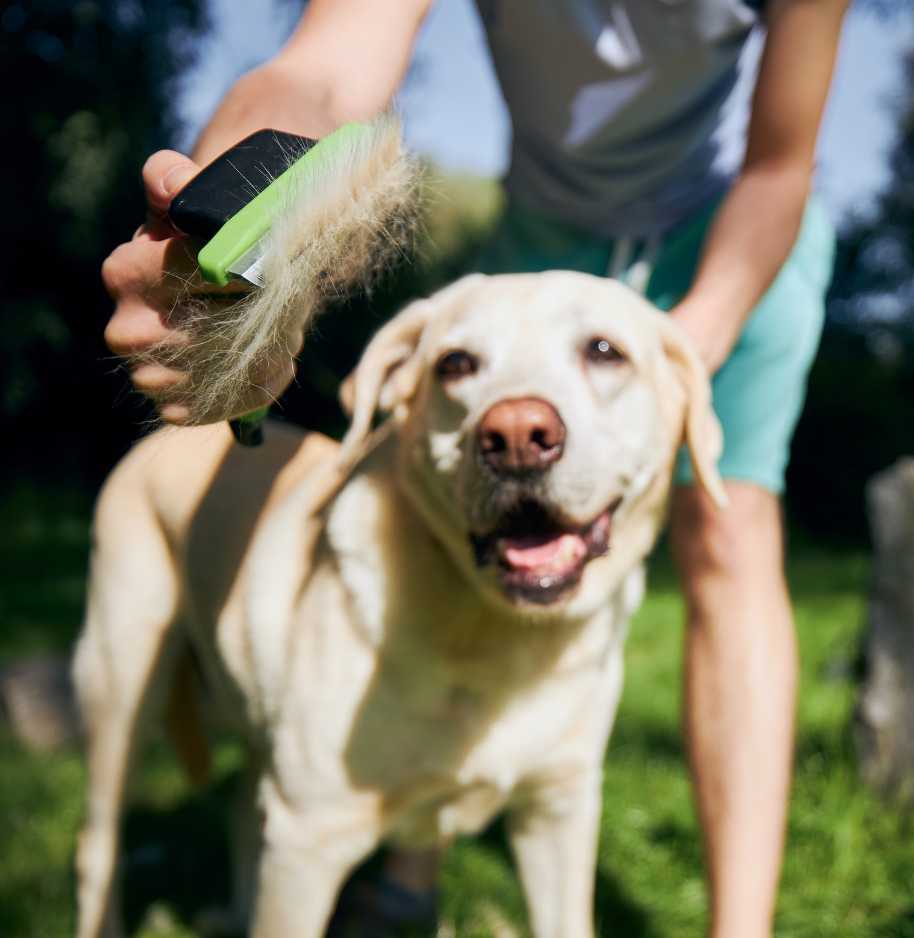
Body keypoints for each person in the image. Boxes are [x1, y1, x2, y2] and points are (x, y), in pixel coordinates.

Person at [101, 1, 850, 935]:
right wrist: (220, 237)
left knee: (732, 532)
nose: (523, 425)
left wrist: (663, 366)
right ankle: (410, 879)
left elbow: (780, 164)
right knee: (460, 513)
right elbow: (328, 73)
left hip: (732, 223)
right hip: (547, 229)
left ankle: (743, 926)